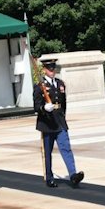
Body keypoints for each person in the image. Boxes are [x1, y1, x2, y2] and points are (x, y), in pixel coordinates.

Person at [32, 58, 84, 188]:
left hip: (59, 121)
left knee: (66, 148)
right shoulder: (40, 86)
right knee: (48, 152)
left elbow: (63, 104)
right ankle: (49, 177)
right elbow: (36, 106)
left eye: (53, 69)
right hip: (47, 123)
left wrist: (62, 117)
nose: (52, 71)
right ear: (44, 70)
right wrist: (44, 108)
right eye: (49, 69)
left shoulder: (60, 84)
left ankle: (73, 175)